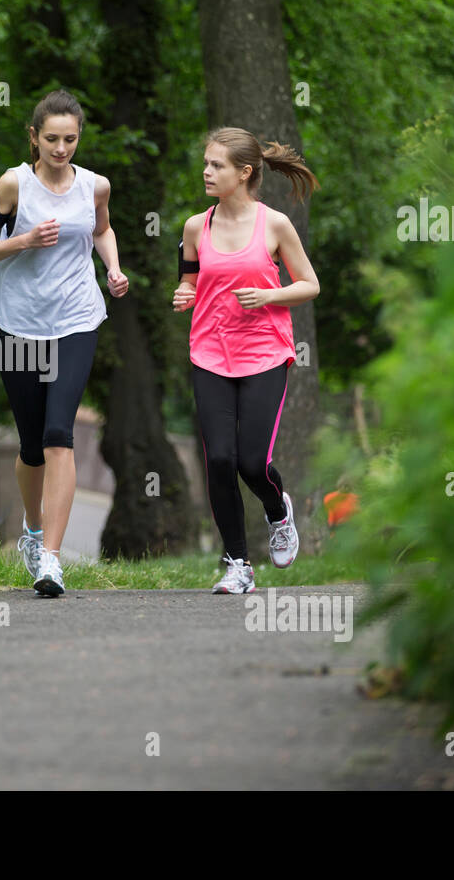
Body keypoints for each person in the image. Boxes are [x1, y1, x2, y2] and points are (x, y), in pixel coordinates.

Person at [0, 90, 129, 597]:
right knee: (32, 444)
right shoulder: (12, 184)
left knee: (61, 433)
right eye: (52, 139)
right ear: (34, 137)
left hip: (78, 318)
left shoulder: (95, 186)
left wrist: (113, 268)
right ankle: (32, 534)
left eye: (71, 139)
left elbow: (102, 230)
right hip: (18, 322)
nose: (62, 148)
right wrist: (23, 241)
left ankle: (52, 561)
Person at [172, 127, 321, 594]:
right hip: (211, 354)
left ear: (244, 173)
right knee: (219, 459)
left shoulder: (274, 224)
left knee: (252, 463)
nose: (207, 171)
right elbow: (190, 283)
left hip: (265, 353)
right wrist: (184, 294)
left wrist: (269, 295)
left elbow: (309, 284)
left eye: (216, 165)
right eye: (206, 162)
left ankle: (278, 511)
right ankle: (238, 563)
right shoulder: (196, 227)